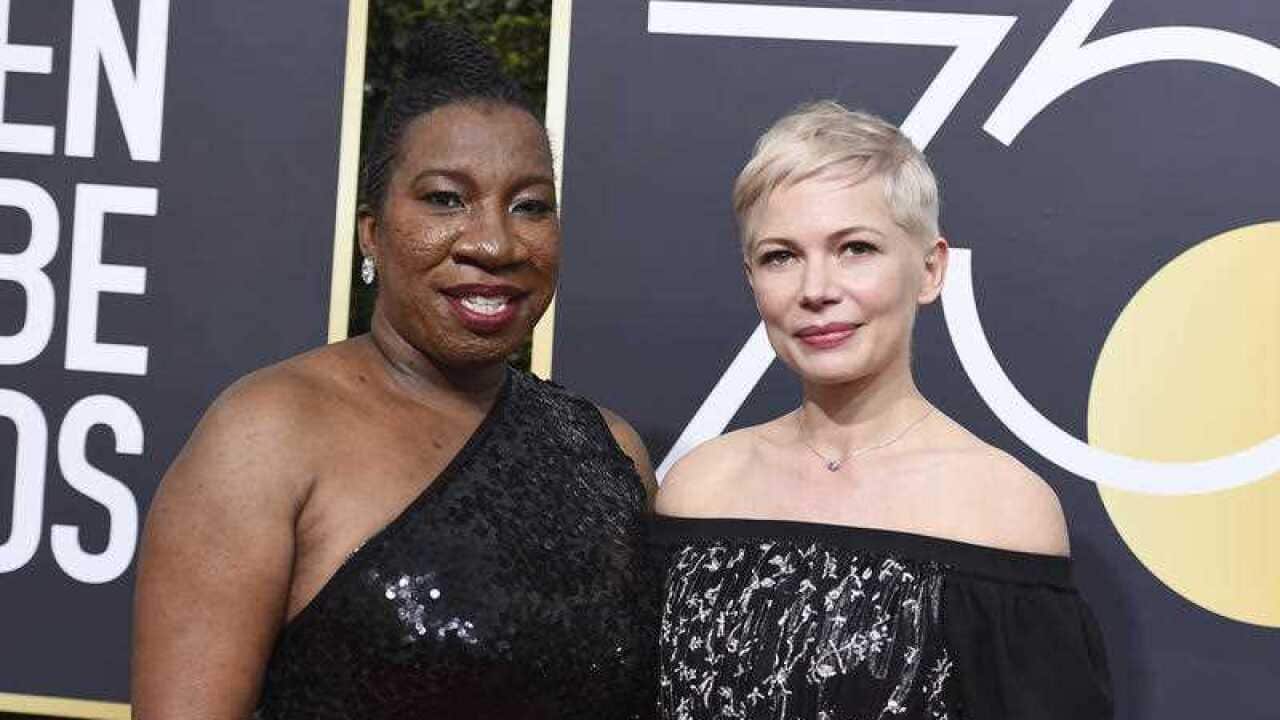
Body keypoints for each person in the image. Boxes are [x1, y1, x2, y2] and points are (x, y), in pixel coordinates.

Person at [132, 24, 659, 720]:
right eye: (446, 199)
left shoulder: (607, 452)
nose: (494, 242)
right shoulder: (268, 435)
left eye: (530, 205)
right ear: (371, 232)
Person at [652, 101, 1113, 720]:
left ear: (929, 270)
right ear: (751, 278)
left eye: (856, 248)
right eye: (780, 256)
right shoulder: (698, 488)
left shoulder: (1005, 509)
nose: (816, 289)